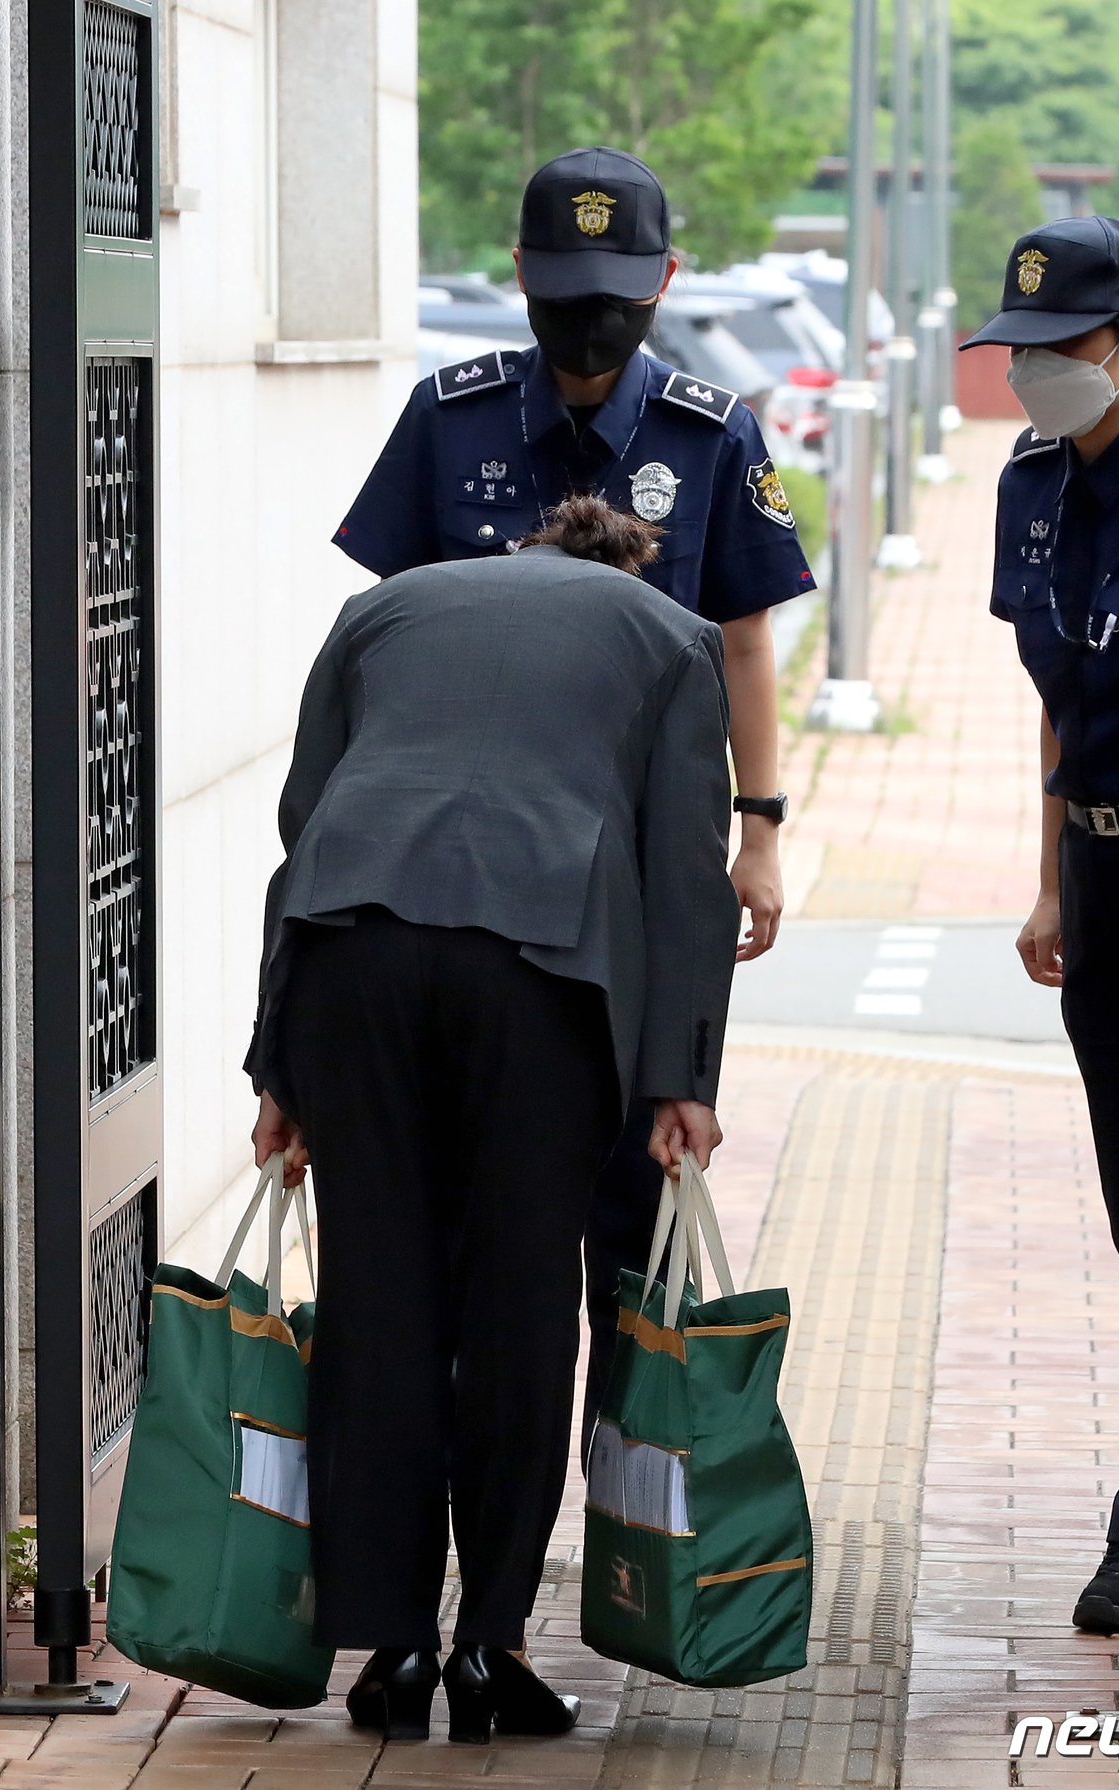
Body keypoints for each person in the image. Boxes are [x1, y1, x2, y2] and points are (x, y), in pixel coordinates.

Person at [332, 144, 814, 1452]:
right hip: (463, 883)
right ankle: (470, 1471)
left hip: (636, 890)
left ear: (664, 279)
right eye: (563, 285)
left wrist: (759, 828)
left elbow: (745, 640)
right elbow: (379, 634)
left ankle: (615, 1490)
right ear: (522, 278)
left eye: (617, 286)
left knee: (633, 1190)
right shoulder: (453, 417)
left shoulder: (713, 435)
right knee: (459, 1204)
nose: (589, 317)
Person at [246, 494, 740, 1740]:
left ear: (522, 550)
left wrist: (276, 1065)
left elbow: (303, 826)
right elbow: (685, 869)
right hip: (541, 968)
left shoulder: (384, 608)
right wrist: (682, 1076)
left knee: (379, 1292)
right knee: (519, 1301)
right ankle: (490, 1647)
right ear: (624, 565)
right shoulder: (672, 636)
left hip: (351, 954)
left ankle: (392, 1646)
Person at [961, 216, 1119, 1634]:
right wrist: (1048, 879)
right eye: (1022, 351)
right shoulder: (1031, 485)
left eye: (1065, 352)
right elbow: (1059, 699)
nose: (1037, 375)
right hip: (1103, 884)